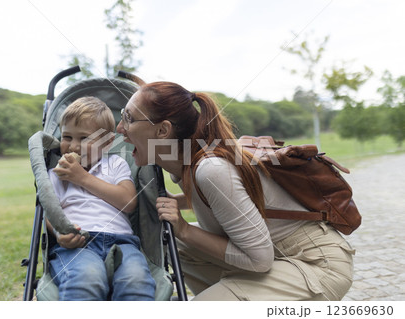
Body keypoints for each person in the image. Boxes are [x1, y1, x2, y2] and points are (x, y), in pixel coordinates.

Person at [116, 82, 355, 301]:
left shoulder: (211, 168)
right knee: (177, 246)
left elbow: (259, 259)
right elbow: (223, 201)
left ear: (162, 131)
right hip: (278, 257)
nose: (119, 128)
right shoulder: (184, 164)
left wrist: (185, 229)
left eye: (128, 118)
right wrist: (176, 203)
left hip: (315, 263)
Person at [47, 96, 156, 301]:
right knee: (86, 278)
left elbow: (129, 202)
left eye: (84, 138)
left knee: (136, 280)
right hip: (79, 243)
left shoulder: (115, 164)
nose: (73, 146)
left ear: (106, 142)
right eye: (67, 137)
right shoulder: (56, 174)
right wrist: (61, 234)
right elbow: (50, 213)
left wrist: (82, 178)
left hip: (122, 243)